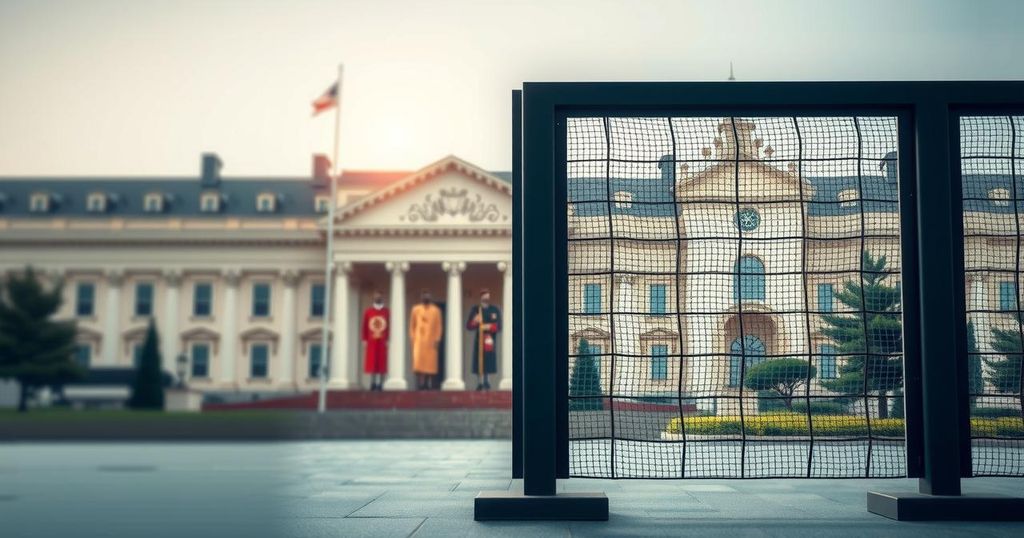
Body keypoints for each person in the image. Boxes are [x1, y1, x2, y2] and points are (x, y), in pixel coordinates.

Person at [466, 288, 501, 391]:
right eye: (484, 294)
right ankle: (480, 382)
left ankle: (487, 381)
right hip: (479, 340)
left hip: (489, 339)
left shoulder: (494, 310)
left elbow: (498, 326)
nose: (486, 296)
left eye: (487, 294)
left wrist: (487, 327)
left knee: (488, 361)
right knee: (479, 362)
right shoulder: (476, 309)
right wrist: (475, 321)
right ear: (481, 297)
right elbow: (469, 326)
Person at [410, 289, 442, 390]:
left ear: (430, 297)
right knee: (419, 364)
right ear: (421, 297)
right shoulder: (416, 309)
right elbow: (412, 325)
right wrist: (413, 337)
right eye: (424, 296)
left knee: (430, 365)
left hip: (431, 341)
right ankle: (421, 384)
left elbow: (438, 326)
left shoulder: (436, 310)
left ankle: (429, 384)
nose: (426, 297)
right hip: (419, 341)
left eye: (428, 296)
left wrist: (437, 339)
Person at [361, 291, 389, 391]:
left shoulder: (386, 312)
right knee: (372, 363)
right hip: (371, 341)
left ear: (382, 297)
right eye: (376, 295)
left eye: (379, 295)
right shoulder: (368, 312)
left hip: (382, 341)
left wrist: (388, 339)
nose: (378, 297)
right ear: (373, 298)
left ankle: (380, 383)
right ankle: (373, 383)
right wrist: (364, 339)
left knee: (382, 363)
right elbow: (364, 326)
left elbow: (389, 326)